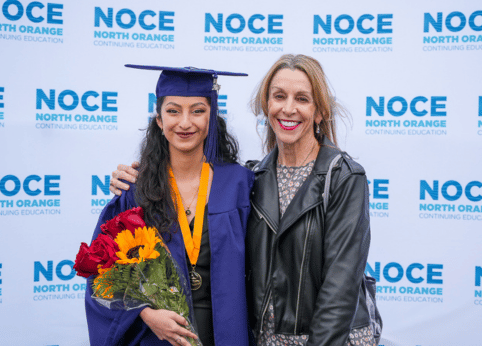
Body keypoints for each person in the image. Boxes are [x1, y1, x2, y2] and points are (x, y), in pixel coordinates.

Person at [111, 55, 376, 346]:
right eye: (279, 96)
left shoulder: (342, 178)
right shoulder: (253, 178)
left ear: (319, 112)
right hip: (264, 339)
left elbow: (340, 289)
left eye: (302, 98)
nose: (288, 108)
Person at [86, 65, 254, 346]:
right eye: (173, 111)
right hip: (158, 338)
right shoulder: (137, 192)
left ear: (212, 118)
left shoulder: (241, 184)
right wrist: (146, 313)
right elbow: (103, 274)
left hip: (227, 333)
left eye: (198, 111)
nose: (185, 122)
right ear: (160, 121)